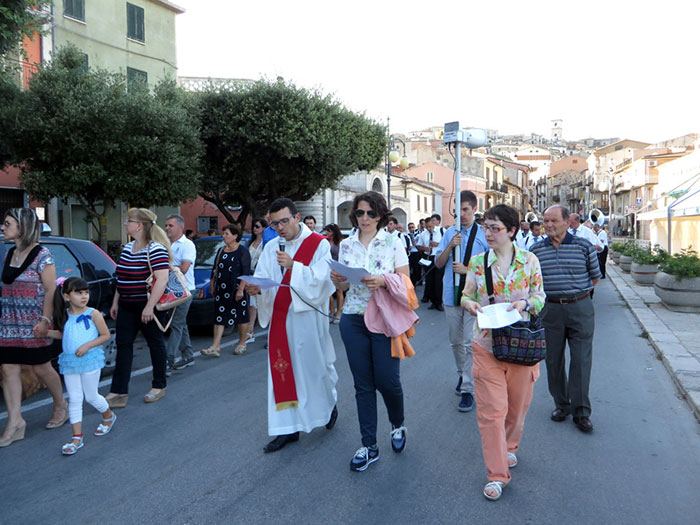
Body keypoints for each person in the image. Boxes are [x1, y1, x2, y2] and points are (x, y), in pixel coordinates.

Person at [461, 204, 546, 501]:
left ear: (511, 231)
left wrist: (525, 305)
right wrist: (469, 305)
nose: (488, 233)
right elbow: (467, 295)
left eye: (495, 228)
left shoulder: (530, 261)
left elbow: (540, 297)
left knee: (516, 408)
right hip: (486, 344)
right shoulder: (476, 262)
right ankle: (497, 475)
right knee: (491, 413)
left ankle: (510, 446)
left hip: (522, 345)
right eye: (486, 227)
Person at [247, 197, 338, 453]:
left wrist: (294, 266)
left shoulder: (319, 244)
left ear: (297, 218)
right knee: (282, 373)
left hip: (308, 320)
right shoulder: (272, 246)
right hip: (281, 321)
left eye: (284, 221)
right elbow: (265, 278)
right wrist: (257, 288)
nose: (280, 228)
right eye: (274, 223)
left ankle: (329, 406)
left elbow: (323, 283)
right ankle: (287, 429)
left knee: (314, 370)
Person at [331, 191, 410, 472]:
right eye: (360, 213)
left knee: (387, 381)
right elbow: (342, 288)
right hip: (352, 318)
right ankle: (369, 446)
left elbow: (405, 280)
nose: (364, 218)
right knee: (363, 385)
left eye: (371, 213)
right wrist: (338, 280)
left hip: (384, 318)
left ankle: (397, 423)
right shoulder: (348, 244)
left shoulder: (393, 242)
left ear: (381, 215)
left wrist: (384, 281)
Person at [531, 205, 601, 433]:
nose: (548, 225)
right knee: (553, 360)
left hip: (580, 307)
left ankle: (581, 411)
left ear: (566, 221)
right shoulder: (536, 251)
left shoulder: (583, 246)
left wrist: (577, 296)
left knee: (581, 360)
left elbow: (595, 278)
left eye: (553, 220)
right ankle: (561, 405)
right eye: (545, 221)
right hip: (550, 309)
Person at [0, 208, 64, 448]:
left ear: (22, 226)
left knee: (42, 368)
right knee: (8, 369)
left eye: (7, 223)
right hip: (9, 322)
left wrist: (45, 321)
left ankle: (60, 405)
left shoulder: (42, 254)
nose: (3, 227)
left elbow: (50, 290)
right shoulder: (10, 253)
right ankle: (15, 421)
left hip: (34, 321)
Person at [107, 208, 171, 408]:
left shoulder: (156, 249)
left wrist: (149, 307)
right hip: (126, 305)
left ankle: (159, 386)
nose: (126, 223)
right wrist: (116, 302)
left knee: (155, 344)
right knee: (123, 346)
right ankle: (119, 391)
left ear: (140, 225)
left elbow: (162, 280)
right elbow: (121, 278)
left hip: (146, 306)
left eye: (129, 220)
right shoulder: (127, 248)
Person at [47, 277, 115, 455]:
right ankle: (77, 438)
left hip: (90, 359)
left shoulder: (93, 313)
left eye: (86, 292)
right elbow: (64, 334)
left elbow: (105, 335)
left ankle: (108, 416)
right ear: (67, 296)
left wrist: (87, 346)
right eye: (79, 293)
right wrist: (46, 333)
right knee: (75, 399)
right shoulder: (64, 314)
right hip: (70, 361)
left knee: (91, 397)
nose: (84, 296)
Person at [435, 191, 489, 412]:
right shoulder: (449, 233)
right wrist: (450, 246)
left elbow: (492, 268)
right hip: (451, 295)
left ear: (475, 209)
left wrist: (468, 270)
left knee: (469, 342)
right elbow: (438, 263)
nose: (462, 214)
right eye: (459, 210)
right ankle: (462, 374)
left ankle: (468, 388)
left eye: (466, 209)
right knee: (456, 342)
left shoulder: (484, 235)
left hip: (474, 298)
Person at [201, 223, 250, 357]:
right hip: (221, 288)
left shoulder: (243, 251)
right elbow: (216, 268)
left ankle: (242, 343)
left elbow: (246, 272)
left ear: (235, 236)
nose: (224, 236)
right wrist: (212, 283)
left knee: (241, 316)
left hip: (236, 289)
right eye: (223, 233)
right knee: (219, 317)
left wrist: (241, 289)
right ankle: (215, 346)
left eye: (226, 234)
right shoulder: (221, 250)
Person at [164, 214, 197, 373]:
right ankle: (188, 355)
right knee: (180, 323)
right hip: (172, 289)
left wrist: (165, 267)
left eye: (170, 225)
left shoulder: (187, 244)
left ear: (180, 227)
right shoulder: (166, 244)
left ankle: (168, 360)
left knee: (176, 324)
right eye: (166, 225)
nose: (167, 228)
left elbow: (184, 268)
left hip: (185, 290)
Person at [246, 217, 268, 342]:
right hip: (250, 274)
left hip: (260, 275)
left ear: (264, 228)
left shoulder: (267, 243)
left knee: (262, 302)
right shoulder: (250, 242)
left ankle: (268, 330)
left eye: (258, 226)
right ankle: (250, 331)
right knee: (252, 303)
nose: (255, 229)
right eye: (254, 226)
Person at [417, 215, 443, 310]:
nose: (428, 228)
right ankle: (432, 301)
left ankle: (439, 302)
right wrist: (424, 248)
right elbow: (419, 246)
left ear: (433, 223)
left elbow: (448, 244)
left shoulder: (441, 231)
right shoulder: (423, 234)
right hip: (428, 258)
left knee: (438, 280)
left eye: (430, 226)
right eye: (426, 227)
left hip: (439, 257)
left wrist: (437, 244)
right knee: (430, 281)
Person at [322, 223, 344, 322]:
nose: (327, 232)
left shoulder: (340, 242)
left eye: (329, 231)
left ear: (334, 231)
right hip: (327, 268)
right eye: (327, 230)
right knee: (328, 291)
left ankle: (338, 312)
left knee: (339, 291)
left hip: (338, 268)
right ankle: (331, 310)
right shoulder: (324, 241)